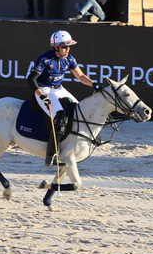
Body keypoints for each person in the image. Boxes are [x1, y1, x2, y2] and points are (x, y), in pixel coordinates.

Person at [27, 30, 99, 165]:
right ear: (56, 47)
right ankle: (52, 155)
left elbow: (81, 76)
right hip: (44, 89)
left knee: (79, 111)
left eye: (68, 46)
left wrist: (94, 84)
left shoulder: (69, 59)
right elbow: (31, 79)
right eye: (64, 47)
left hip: (59, 89)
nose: (67, 50)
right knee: (60, 117)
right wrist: (42, 96)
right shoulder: (45, 59)